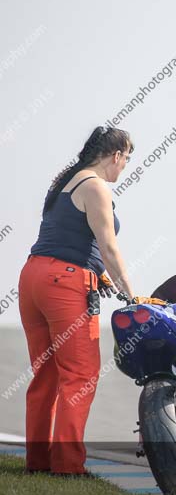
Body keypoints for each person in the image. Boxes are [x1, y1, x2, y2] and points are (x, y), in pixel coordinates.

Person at [18, 126, 136, 475]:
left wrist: (94, 272)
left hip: (32, 278)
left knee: (47, 376)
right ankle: (68, 466)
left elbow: (67, 238)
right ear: (116, 155)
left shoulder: (64, 183)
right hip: (63, 284)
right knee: (79, 375)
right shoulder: (95, 185)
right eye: (126, 159)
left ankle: (38, 463)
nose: (124, 167)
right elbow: (109, 247)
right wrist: (132, 295)